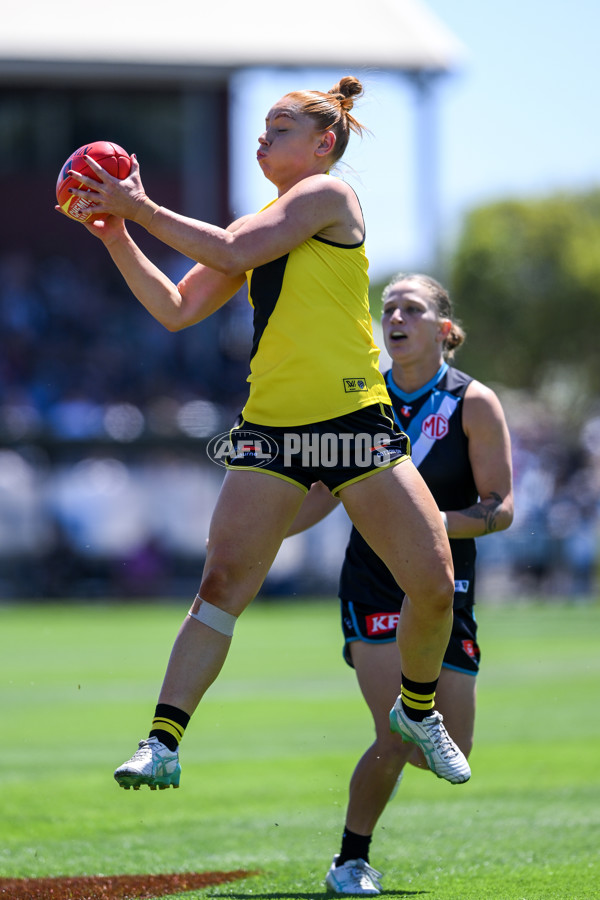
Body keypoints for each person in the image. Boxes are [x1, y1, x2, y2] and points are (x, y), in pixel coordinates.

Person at [57, 77, 470, 795]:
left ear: (323, 144)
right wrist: (118, 233)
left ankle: (418, 711)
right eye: (264, 128)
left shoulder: (326, 198)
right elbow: (178, 307)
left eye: (280, 129)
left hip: (354, 424)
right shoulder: (253, 227)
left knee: (433, 587)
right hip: (272, 430)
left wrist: (137, 204)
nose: (263, 138)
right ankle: (162, 741)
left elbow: (230, 246)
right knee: (220, 586)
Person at [287, 273, 514, 895]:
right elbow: (317, 492)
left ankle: (361, 840)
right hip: (374, 587)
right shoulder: (361, 403)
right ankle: (349, 863)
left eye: (411, 309)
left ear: (444, 328)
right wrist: (260, 534)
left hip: (445, 591)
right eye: (388, 309)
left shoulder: (474, 402)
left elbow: (501, 506)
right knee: (393, 732)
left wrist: (428, 526)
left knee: (444, 747)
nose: (395, 318)